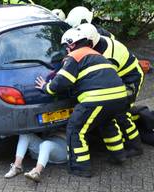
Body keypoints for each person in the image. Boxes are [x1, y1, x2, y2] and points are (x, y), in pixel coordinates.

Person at [35, 27, 129, 177]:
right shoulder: (96, 55)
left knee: (75, 130)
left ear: (71, 44)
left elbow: (61, 82)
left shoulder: (75, 56)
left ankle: (80, 168)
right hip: (119, 97)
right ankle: (119, 156)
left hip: (97, 99)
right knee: (107, 124)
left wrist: (46, 87)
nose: (66, 49)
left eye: (66, 46)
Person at [76, 23, 144, 157]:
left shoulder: (107, 57)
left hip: (130, 80)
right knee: (111, 112)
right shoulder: (96, 41)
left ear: (90, 42)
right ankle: (119, 146)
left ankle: (135, 147)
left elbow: (104, 81)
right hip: (118, 78)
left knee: (121, 112)